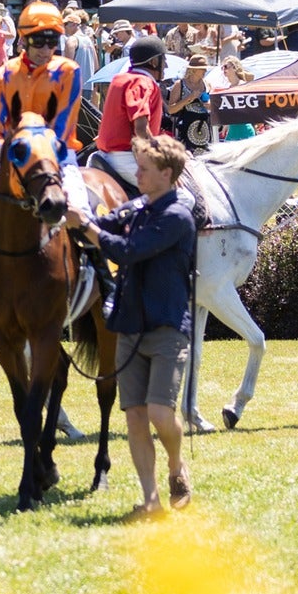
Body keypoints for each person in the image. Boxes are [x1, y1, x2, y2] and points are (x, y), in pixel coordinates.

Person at [67, 135, 197, 520]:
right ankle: (151, 500)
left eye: (144, 169)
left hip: (166, 327)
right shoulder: (138, 207)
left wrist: (86, 227)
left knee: (159, 413)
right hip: (129, 324)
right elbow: (102, 222)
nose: (135, 174)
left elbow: (126, 250)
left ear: (167, 174)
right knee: (135, 416)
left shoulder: (177, 216)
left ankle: (176, 465)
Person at [93, 35, 168, 191]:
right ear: (154, 62)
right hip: (127, 158)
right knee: (182, 196)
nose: (166, 65)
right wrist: (162, 153)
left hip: (105, 154)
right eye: (163, 60)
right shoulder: (142, 82)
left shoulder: (119, 79)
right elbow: (140, 129)